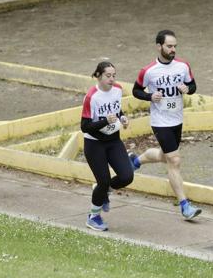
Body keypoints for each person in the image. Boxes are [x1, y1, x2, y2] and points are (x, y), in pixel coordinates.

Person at [129, 30, 201, 220]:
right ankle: (185, 205)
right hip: (160, 121)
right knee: (175, 160)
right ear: (159, 46)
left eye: (175, 46)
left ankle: (136, 161)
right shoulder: (149, 71)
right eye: (169, 46)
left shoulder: (183, 66)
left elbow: (193, 86)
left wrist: (188, 89)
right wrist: (150, 96)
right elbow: (136, 90)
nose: (173, 49)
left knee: (166, 156)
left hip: (177, 118)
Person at [81, 61, 134, 231]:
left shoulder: (118, 89)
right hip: (94, 144)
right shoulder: (91, 96)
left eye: (114, 75)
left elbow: (117, 111)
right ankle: (93, 217)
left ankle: (102, 191)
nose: (111, 79)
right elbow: (85, 126)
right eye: (107, 76)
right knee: (103, 181)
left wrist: (122, 118)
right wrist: (105, 121)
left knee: (127, 176)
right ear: (98, 76)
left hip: (113, 141)